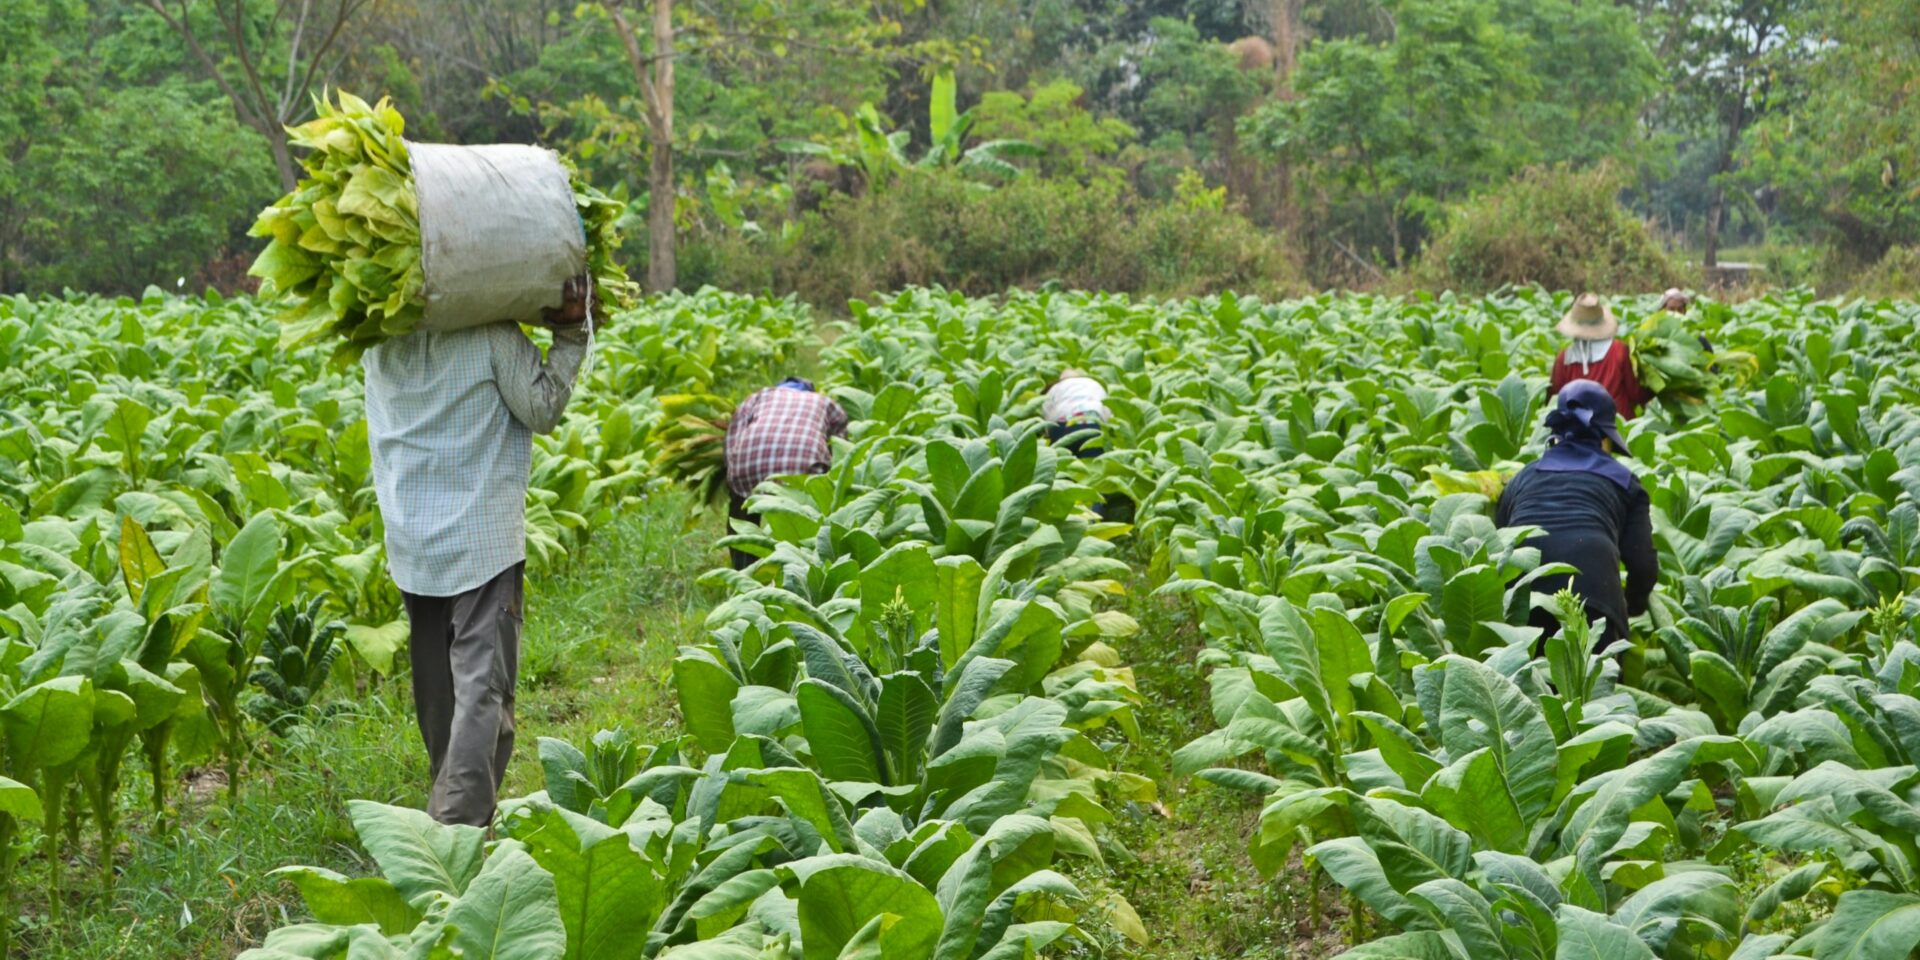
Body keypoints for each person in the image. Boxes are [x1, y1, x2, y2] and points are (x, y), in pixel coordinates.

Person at [364, 276, 592, 827]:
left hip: (413, 541)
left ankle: (460, 812)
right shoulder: (490, 336)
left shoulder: (377, 344)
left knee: (441, 697)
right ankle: (454, 835)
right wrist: (570, 335)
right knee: (481, 695)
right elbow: (541, 407)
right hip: (480, 542)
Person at [1495, 380, 1657, 652]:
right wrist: (1630, 609)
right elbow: (1643, 566)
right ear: (1604, 438)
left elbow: (1501, 543)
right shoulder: (1625, 482)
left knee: (1521, 687)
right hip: (1595, 596)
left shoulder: (1521, 478)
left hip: (1522, 601)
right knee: (1597, 691)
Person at [724, 378, 849, 570]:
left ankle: (742, 571)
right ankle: (803, 570)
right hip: (802, 469)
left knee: (740, 509)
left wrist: (731, 474)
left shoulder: (759, 397)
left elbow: (732, 437)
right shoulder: (825, 402)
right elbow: (840, 452)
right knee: (807, 515)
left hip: (749, 463)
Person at [1549, 293, 1652, 419]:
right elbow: (1636, 394)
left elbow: (1554, 401)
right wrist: (1654, 389)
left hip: (1579, 431)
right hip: (1617, 427)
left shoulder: (1563, 359)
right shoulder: (1620, 351)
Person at [1042, 368, 1111, 458]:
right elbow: (1107, 409)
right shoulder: (1094, 384)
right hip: (1092, 427)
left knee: (1062, 466)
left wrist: (1048, 435)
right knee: (1092, 467)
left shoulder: (1055, 387)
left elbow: (1046, 415)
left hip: (1063, 428)